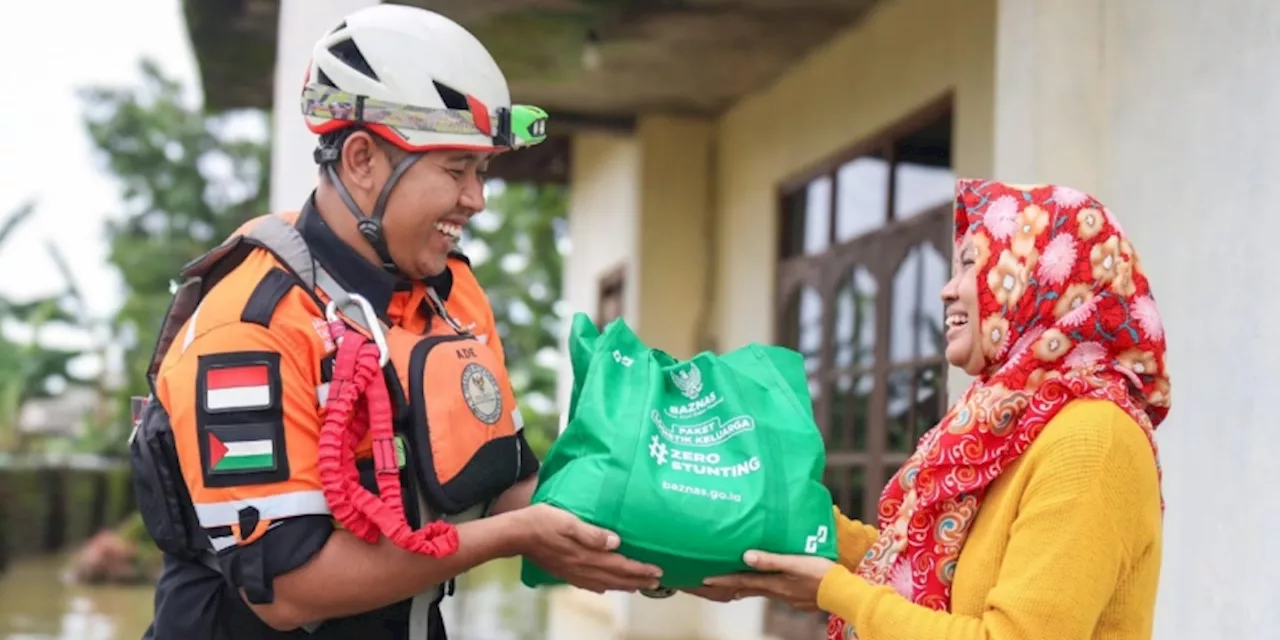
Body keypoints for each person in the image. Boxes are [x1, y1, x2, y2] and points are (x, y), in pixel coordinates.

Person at [133, 5, 661, 639]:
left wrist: (658, 532)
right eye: (455, 169)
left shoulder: (452, 294)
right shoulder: (249, 325)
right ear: (361, 159)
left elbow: (506, 482)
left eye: (484, 171)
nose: (477, 200)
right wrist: (513, 537)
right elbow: (289, 590)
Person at [693, 179, 1171, 640]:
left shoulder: (1093, 438)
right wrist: (793, 517)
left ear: (1037, 278)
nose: (947, 289)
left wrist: (834, 592)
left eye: (970, 265)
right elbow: (924, 576)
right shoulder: (1011, 422)